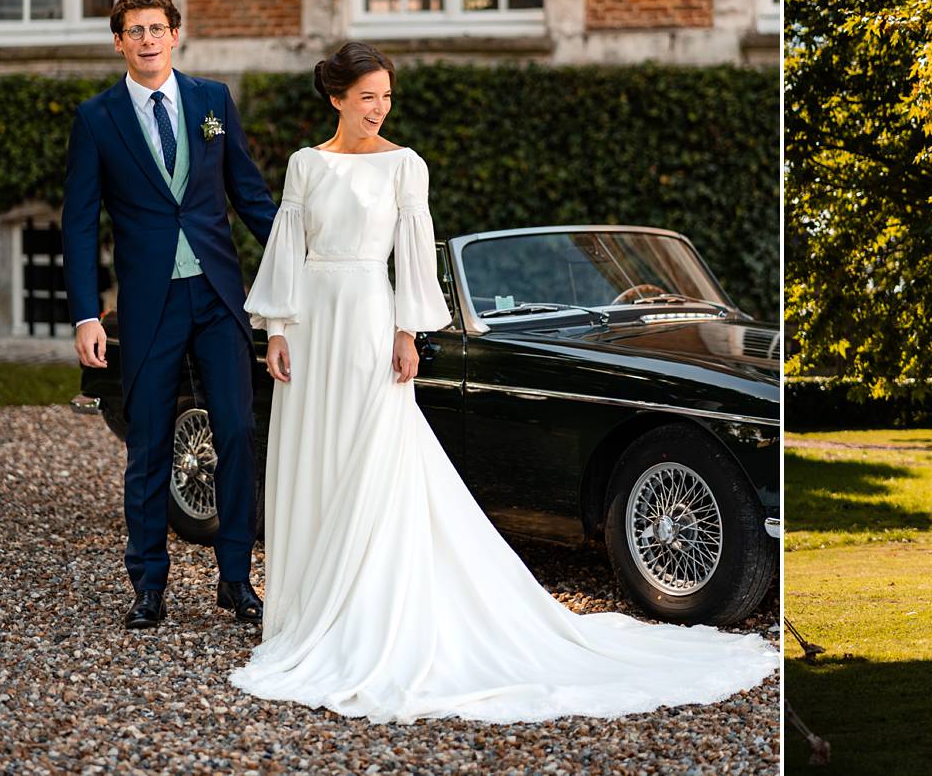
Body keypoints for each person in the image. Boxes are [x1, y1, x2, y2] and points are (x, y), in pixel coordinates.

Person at [230, 42, 779, 723]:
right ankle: (308, 610)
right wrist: (278, 327)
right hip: (315, 324)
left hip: (371, 319)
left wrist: (408, 331)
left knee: (375, 459)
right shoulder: (306, 165)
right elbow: (288, 248)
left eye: (386, 97)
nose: (378, 109)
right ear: (337, 96)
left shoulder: (406, 164)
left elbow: (411, 257)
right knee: (314, 457)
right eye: (367, 96)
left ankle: (370, 609)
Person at [62, 0, 277, 630]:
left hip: (216, 297)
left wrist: (305, 264)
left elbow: (250, 195)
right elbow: (78, 225)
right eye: (135, 31)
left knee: (237, 433)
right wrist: (84, 315)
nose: (148, 40)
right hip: (149, 304)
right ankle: (148, 583)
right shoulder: (97, 118)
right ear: (120, 42)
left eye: (158, 28)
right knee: (149, 445)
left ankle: (236, 579)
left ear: (175, 34)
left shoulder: (212, 101)